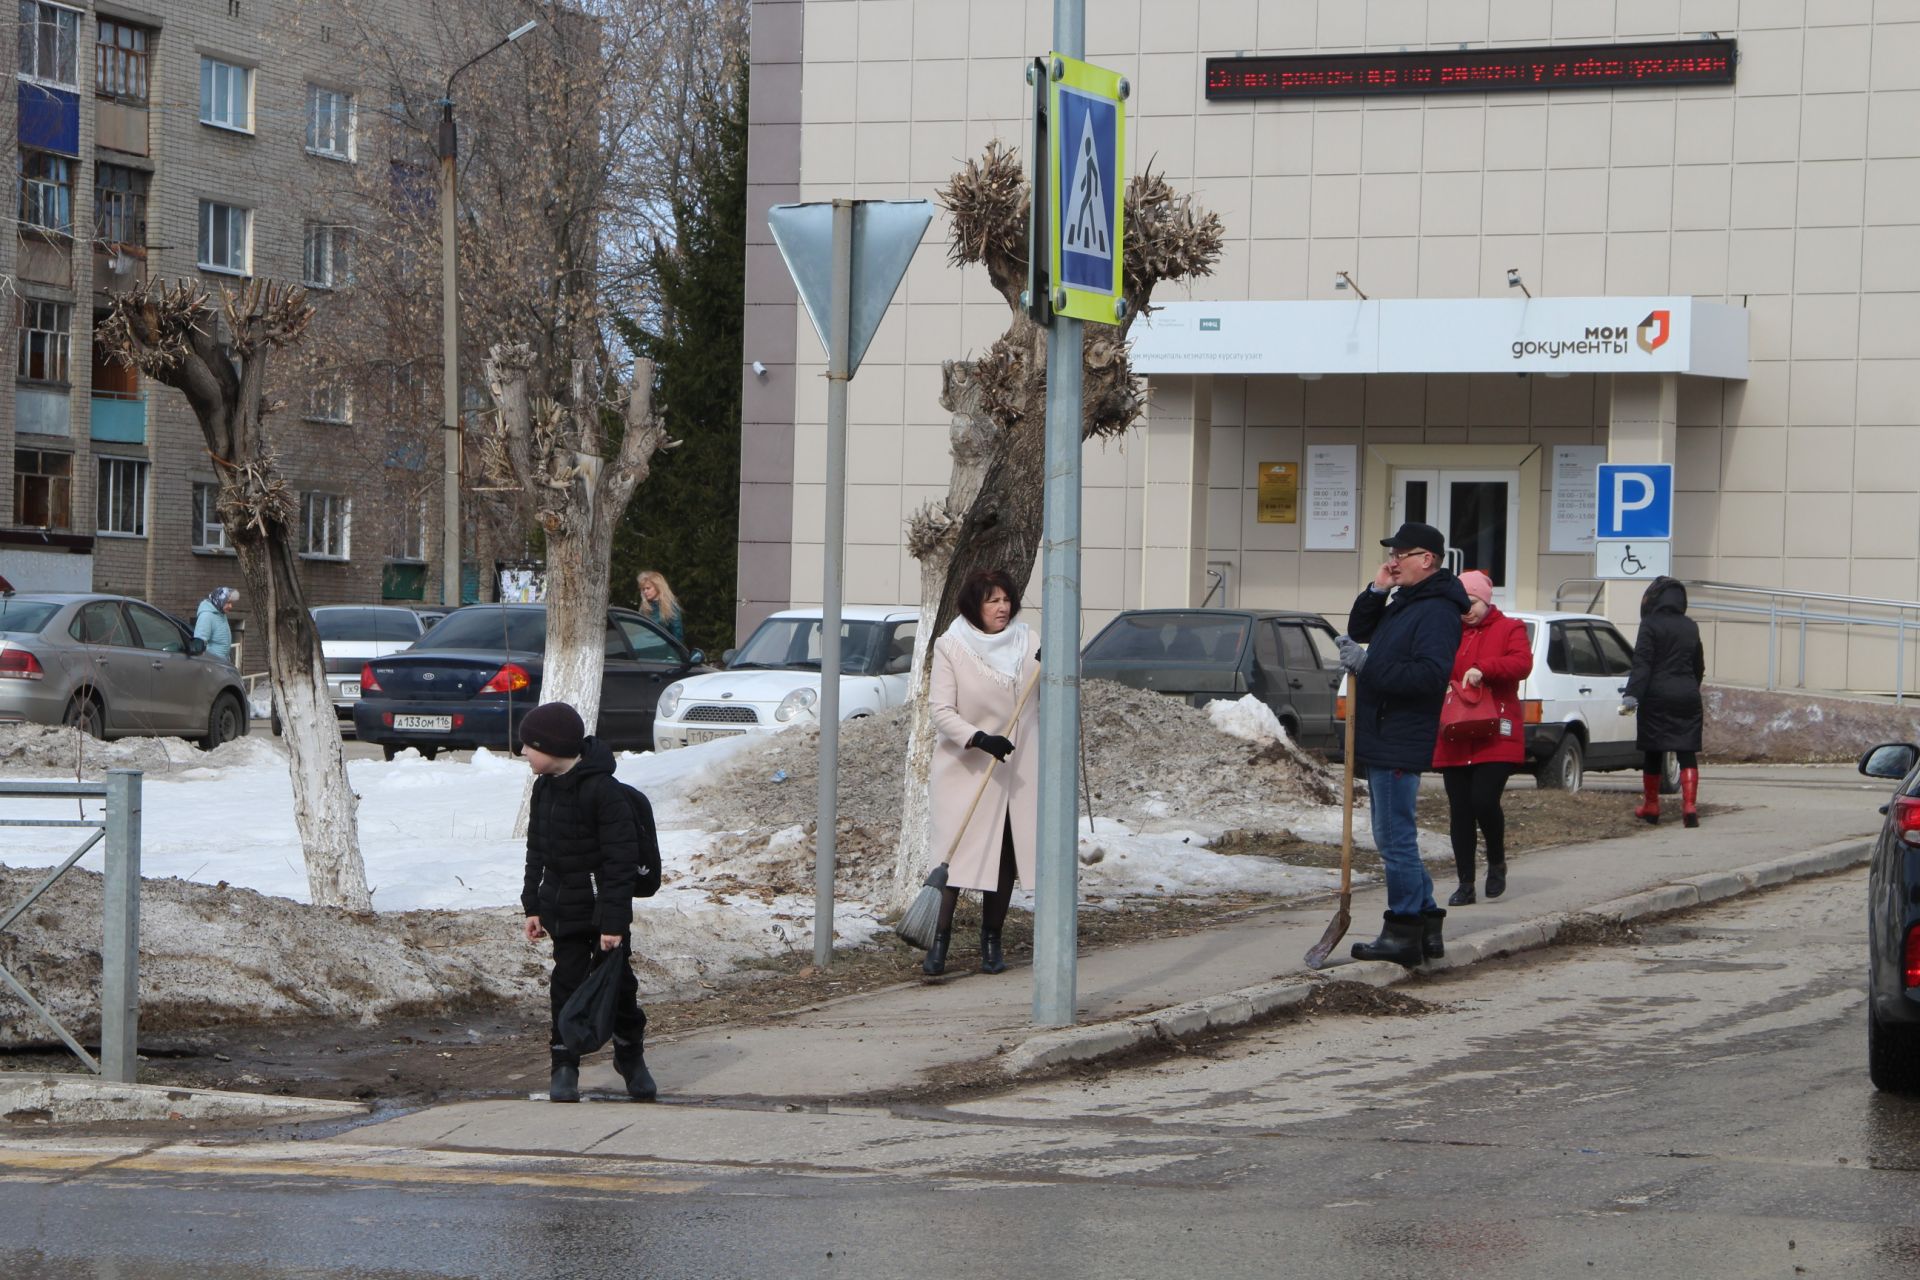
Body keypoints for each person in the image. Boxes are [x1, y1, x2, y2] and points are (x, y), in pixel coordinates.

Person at [1336, 522, 1470, 967]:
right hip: (1384, 729)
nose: (1393, 561)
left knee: (1394, 838)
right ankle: (1427, 923)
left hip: (1400, 733)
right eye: (1391, 554)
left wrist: (1368, 666)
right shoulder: (1406, 600)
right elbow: (1359, 627)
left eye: (1401, 554)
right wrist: (1376, 591)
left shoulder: (1435, 611)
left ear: (1427, 559)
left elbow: (1429, 676)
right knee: (1396, 837)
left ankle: (1404, 929)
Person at [517, 701, 658, 1103]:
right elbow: (536, 849)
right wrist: (533, 905)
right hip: (562, 911)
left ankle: (630, 1058)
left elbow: (621, 863)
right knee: (565, 985)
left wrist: (613, 923)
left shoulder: (605, 792)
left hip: (603, 913)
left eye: (530, 745)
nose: (523, 752)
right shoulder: (543, 788)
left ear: (553, 747)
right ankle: (564, 1065)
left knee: (620, 990)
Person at [923, 568, 1040, 977]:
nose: (1003, 607)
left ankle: (992, 941)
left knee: (1004, 853)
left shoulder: (1030, 642)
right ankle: (938, 943)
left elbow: (1060, 684)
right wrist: (978, 738)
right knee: (954, 858)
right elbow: (940, 710)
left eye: (1006, 599)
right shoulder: (951, 646)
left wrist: (1061, 660)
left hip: (1017, 768)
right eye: (993, 600)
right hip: (965, 768)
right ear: (975, 605)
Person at [1433, 570, 1533, 905]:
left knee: (1483, 800)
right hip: (1456, 730)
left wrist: (1485, 668)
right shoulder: (1448, 631)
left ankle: (1496, 862)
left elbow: (1521, 663)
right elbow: (1433, 665)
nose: (1466, 609)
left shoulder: (1509, 628)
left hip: (1495, 731)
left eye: (1472, 602)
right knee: (1460, 808)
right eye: (1460, 603)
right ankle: (1465, 883)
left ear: (1486, 600)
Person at [1622, 576, 1707, 828]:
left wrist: (1631, 695)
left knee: (1653, 749)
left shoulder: (1649, 625)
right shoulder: (1690, 626)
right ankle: (1689, 806)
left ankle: (1651, 806)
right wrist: (1691, 686)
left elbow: (1642, 663)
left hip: (1656, 695)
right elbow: (1698, 665)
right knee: (1686, 750)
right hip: (1687, 694)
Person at [636, 570, 683, 644]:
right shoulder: (644, 608)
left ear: (658, 587)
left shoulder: (670, 607)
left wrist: (674, 654)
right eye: (643, 589)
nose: (645, 592)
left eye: (648, 588)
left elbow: (677, 635)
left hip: (664, 652)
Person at [194, 586, 239, 662]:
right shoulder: (206, 616)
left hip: (221, 663)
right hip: (212, 665)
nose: (231, 606)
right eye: (228, 602)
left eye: (231, 603)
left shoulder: (221, 614)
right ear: (218, 601)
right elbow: (198, 645)